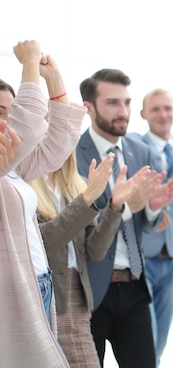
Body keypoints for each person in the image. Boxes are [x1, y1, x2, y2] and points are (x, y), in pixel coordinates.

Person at [76, 68, 173, 368]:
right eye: (112, 103)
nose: (123, 112)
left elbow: (142, 225)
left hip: (134, 285)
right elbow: (79, 225)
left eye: (127, 102)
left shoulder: (139, 149)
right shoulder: (72, 155)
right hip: (90, 291)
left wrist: (152, 207)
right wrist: (126, 205)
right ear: (89, 107)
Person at [1, 40, 87, 367]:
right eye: (0, 112)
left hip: (39, 283)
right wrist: (29, 62)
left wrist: (53, 79)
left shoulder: (14, 165)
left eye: (11, 111)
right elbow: (29, 123)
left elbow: (57, 144)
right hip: (12, 292)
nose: (8, 121)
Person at [30, 149, 143, 368]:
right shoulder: (27, 188)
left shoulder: (77, 184)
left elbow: (95, 250)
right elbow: (46, 243)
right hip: (48, 298)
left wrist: (115, 206)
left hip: (78, 299)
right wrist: (86, 199)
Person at [137, 88, 173, 365]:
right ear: (143, 115)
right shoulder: (135, 147)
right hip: (142, 251)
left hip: (171, 252)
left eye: (167, 108)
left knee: (162, 334)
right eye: (155, 109)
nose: (162, 115)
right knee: (145, 335)